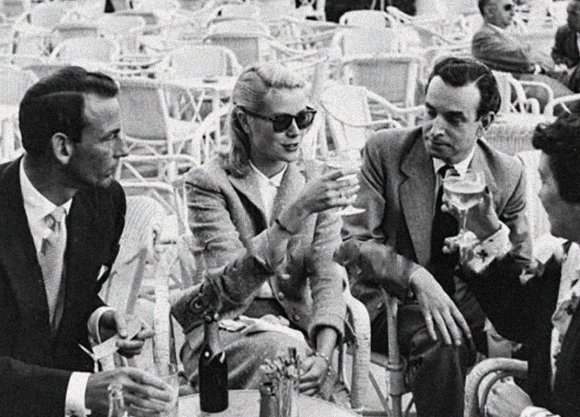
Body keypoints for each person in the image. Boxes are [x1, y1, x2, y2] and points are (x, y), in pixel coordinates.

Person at [338, 56, 532, 417]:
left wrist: (489, 233)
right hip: (392, 302)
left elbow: (522, 268)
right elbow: (353, 243)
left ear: (484, 123)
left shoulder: (507, 173)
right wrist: (415, 276)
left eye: (454, 119)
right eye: (430, 113)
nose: (434, 128)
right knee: (444, 339)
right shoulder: (387, 151)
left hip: (472, 305)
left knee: (538, 330)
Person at [433, 114, 580, 417]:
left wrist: (526, 415)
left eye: (545, 180)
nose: (538, 193)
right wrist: (487, 234)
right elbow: (520, 318)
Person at [171, 62, 358, 398]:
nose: (296, 132)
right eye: (281, 121)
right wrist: (297, 211)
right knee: (281, 357)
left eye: (303, 118)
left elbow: (328, 277)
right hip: (225, 329)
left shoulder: (315, 178)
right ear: (244, 121)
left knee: (297, 365)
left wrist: (324, 356)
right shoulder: (209, 183)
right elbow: (228, 287)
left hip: (299, 330)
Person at [0, 66, 174, 417]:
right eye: (110, 138)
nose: (124, 150)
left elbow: (71, 295)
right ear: (62, 147)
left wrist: (101, 318)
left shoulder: (104, 202)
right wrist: (79, 389)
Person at [472, 0, 580, 111]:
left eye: (514, 7)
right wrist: (541, 60)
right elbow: (525, 58)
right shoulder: (483, 38)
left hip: (547, 76)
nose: (513, 12)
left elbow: (531, 55)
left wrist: (541, 60)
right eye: (507, 7)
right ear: (489, 11)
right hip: (534, 86)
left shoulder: (504, 34)